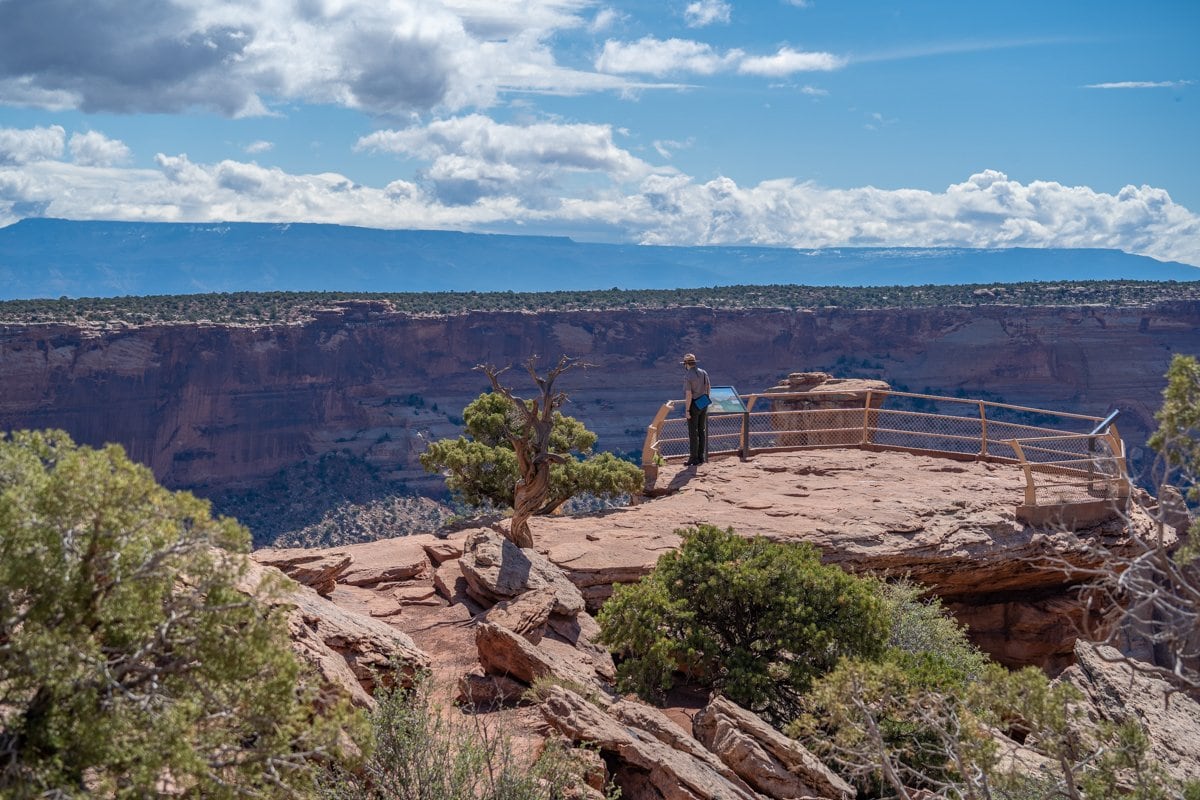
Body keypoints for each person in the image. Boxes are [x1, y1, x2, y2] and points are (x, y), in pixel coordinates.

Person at [681, 353, 711, 466]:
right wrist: (706, 399)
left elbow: (689, 394)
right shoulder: (704, 372)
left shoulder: (688, 376)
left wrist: (687, 410)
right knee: (701, 430)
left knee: (693, 432)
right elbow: (709, 387)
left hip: (694, 404)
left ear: (686, 364)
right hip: (704, 401)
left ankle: (693, 458)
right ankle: (700, 457)